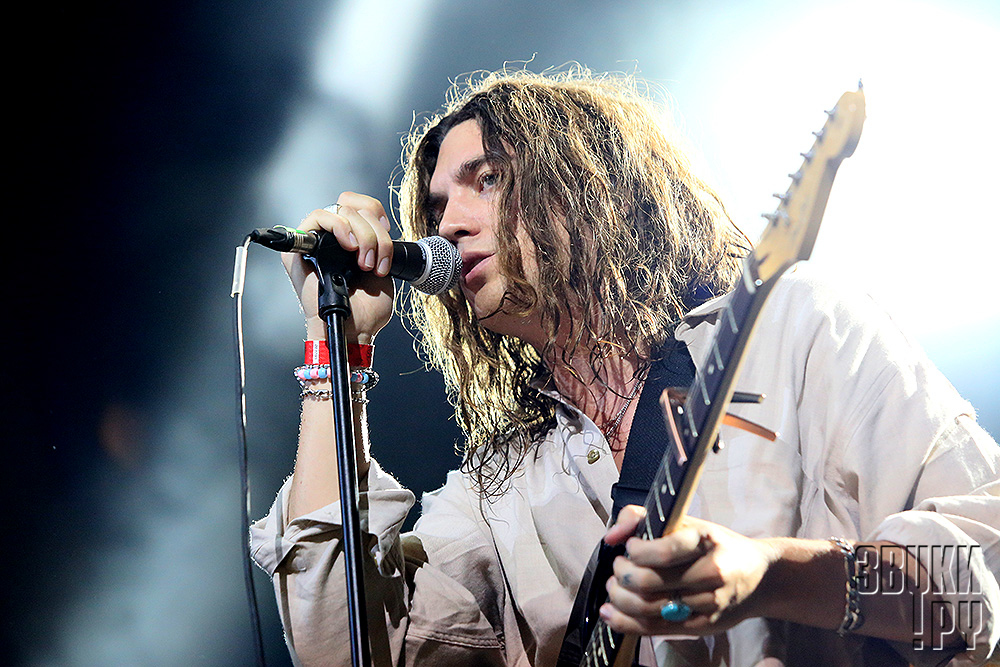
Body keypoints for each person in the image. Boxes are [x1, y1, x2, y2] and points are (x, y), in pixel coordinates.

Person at [250, 67, 1000, 666]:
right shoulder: (502, 491)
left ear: (585, 188)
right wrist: (338, 348)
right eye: (439, 204)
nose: (446, 222)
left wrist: (768, 574)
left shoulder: (796, 328)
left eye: (489, 179)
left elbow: (982, 581)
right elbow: (341, 647)